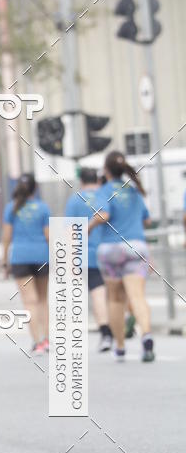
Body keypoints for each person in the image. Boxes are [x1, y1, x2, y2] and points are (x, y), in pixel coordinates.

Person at [89, 150, 154, 362]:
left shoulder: (105, 190)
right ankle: (146, 336)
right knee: (137, 297)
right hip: (136, 246)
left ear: (106, 171)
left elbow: (105, 214)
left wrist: (89, 227)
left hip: (112, 250)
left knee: (115, 299)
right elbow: (147, 221)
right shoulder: (133, 190)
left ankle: (120, 347)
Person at [1, 174, 50, 353]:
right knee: (43, 299)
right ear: (35, 188)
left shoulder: (11, 209)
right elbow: (48, 236)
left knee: (30, 301)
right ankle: (47, 340)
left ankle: (37, 342)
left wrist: (4, 261)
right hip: (42, 256)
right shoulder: (43, 208)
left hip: (20, 258)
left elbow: (6, 236)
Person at [65, 168, 112, 352]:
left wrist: (71, 259)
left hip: (87, 254)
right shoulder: (105, 196)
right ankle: (121, 321)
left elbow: (71, 231)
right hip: (111, 250)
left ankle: (106, 334)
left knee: (97, 294)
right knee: (116, 292)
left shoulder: (75, 200)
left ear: (81, 181)